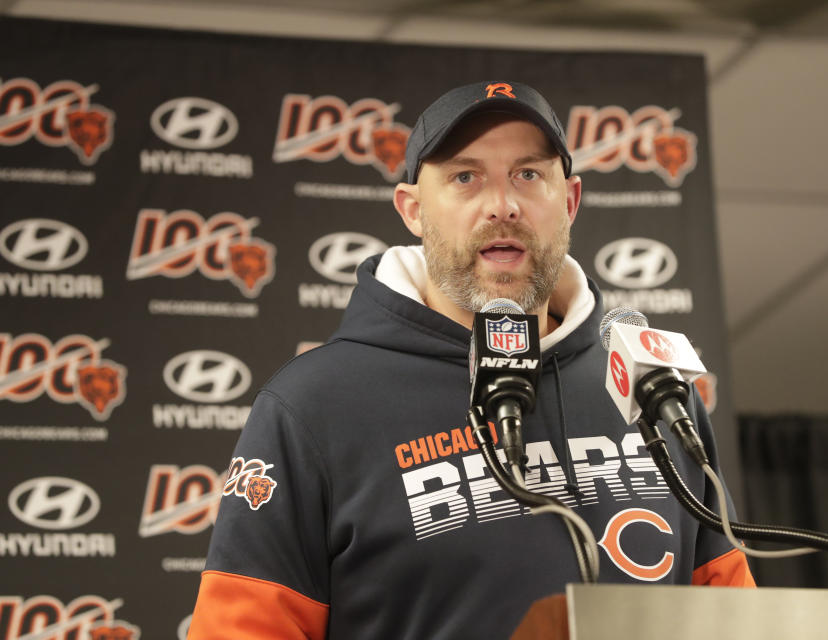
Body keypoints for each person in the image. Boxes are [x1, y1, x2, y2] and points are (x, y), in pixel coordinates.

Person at [187, 80, 754, 640]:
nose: (502, 206)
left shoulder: (653, 390)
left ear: (571, 201)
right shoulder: (314, 405)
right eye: (465, 177)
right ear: (412, 211)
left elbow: (735, 620)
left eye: (528, 175)